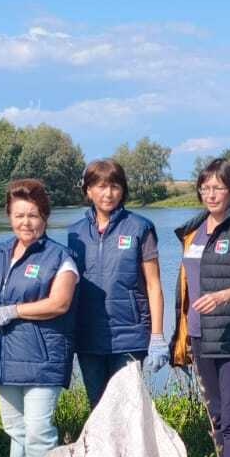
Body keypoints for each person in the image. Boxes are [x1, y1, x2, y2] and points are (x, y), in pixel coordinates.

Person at [0, 178, 78, 457]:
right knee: (16, 431)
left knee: (39, 434)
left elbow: (60, 303)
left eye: (33, 215)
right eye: (19, 215)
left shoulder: (59, 257)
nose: (26, 222)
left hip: (43, 361)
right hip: (3, 359)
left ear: (45, 217)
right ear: (9, 216)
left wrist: (16, 310)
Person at [170, 158, 230, 457]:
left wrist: (222, 296)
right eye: (205, 188)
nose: (211, 194)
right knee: (217, 414)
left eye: (218, 188)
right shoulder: (194, 229)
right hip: (198, 334)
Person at [65, 158, 167, 406]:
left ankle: (132, 448)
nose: (108, 193)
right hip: (88, 336)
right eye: (100, 186)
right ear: (88, 191)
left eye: (114, 186)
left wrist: (156, 336)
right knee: (97, 408)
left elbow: (154, 285)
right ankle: (100, 448)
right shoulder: (75, 232)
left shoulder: (140, 228)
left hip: (130, 335)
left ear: (123, 190)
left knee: (126, 409)